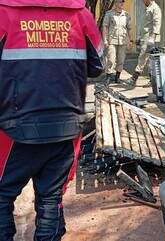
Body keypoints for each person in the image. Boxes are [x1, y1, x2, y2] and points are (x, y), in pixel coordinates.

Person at [0, 0, 104, 240]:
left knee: (2, 196)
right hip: (66, 128)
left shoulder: (4, 13)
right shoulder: (81, 15)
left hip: (13, 130)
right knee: (51, 197)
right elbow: (98, 65)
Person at [127, 0, 162, 86]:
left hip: (150, 38)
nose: (143, 1)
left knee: (143, 57)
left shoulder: (155, 8)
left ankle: (134, 78)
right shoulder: (146, 8)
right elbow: (143, 25)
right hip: (144, 37)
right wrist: (139, 37)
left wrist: (153, 37)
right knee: (150, 60)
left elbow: (157, 23)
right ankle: (153, 81)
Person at [103, 0, 132, 84]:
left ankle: (117, 78)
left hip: (123, 41)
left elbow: (129, 28)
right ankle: (108, 77)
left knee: (121, 60)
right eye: (120, 2)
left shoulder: (126, 15)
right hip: (112, 40)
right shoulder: (109, 14)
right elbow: (105, 27)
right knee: (111, 59)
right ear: (115, 3)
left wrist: (130, 40)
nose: (122, 4)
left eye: (123, 2)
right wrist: (105, 39)